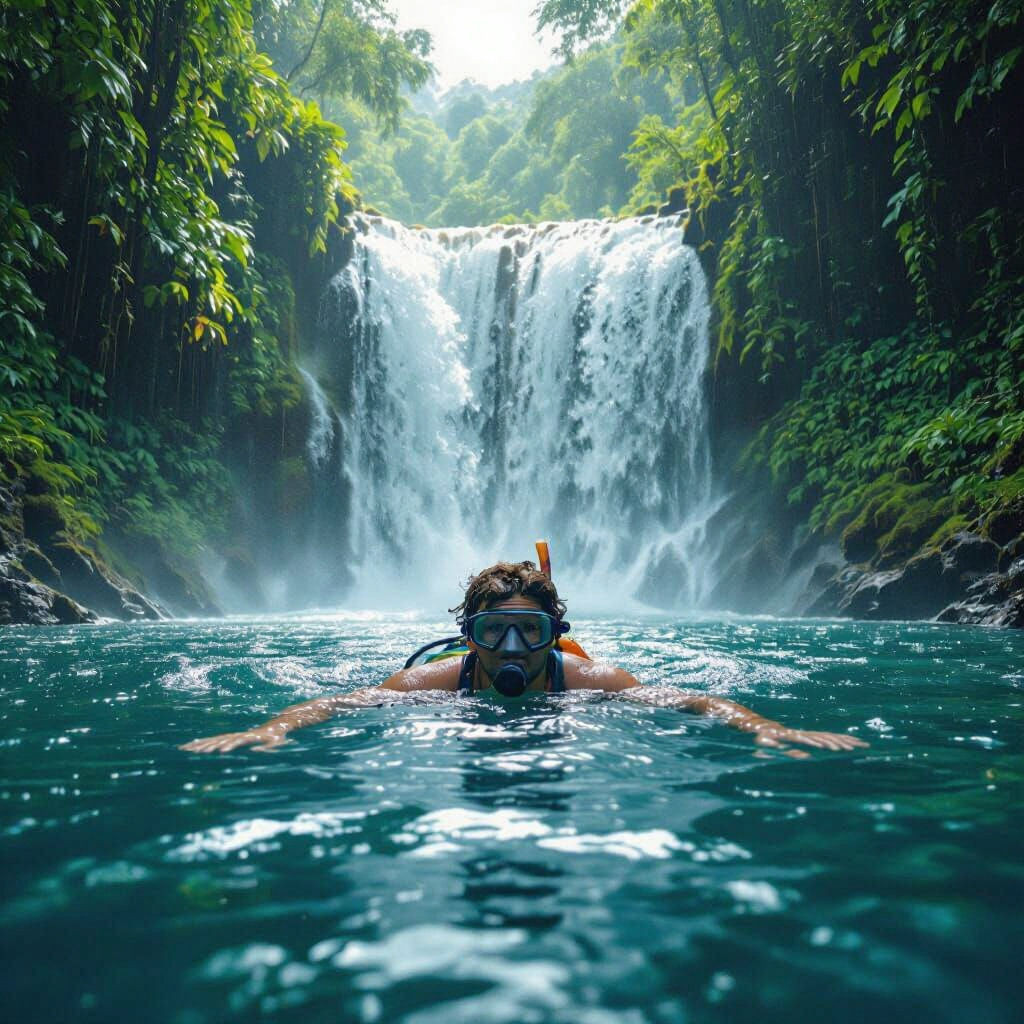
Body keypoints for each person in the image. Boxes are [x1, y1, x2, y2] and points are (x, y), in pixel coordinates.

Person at [181, 561, 868, 756]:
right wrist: (269, 727)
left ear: (556, 635)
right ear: (469, 636)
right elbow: (339, 702)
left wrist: (763, 727)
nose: (513, 651)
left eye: (532, 635)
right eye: (493, 633)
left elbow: (689, 699)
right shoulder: (439, 678)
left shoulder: (590, 679)